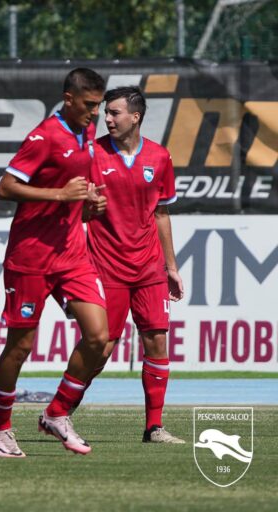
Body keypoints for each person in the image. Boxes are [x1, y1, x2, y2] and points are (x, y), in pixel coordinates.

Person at [0, 68, 108, 458]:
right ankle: (0, 427)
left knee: (99, 337)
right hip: (31, 258)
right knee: (20, 347)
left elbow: (76, 189)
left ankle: (56, 413)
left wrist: (89, 203)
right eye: (90, 105)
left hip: (72, 254)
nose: (96, 113)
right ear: (68, 98)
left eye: (99, 105)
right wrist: (59, 195)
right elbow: (4, 187)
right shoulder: (44, 136)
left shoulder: (86, 132)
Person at [82, 86, 184, 444]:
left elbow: (161, 213)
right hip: (106, 267)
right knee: (100, 349)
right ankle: (60, 413)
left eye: (115, 113)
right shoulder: (92, 153)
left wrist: (170, 266)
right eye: (106, 113)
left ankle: (153, 427)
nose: (107, 119)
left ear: (135, 117)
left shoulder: (159, 157)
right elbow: (73, 207)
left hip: (149, 268)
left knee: (157, 341)